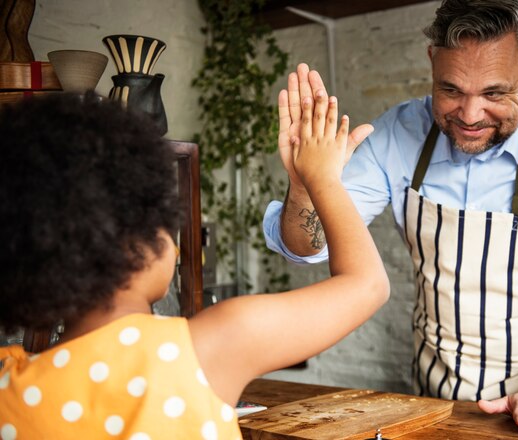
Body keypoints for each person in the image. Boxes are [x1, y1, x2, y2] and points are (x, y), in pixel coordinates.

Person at [264, 0, 518, 436]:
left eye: (494, 93)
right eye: (451, 90)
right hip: (431, 404)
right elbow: (310, 246)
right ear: (433, 61)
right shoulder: (398, 135)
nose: (470, 116)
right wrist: (306, 183)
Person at [0, 92, 389, 438]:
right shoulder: (209, 347)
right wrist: (321, 178)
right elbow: (367, 284)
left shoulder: (8, 386)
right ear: (142, 241)